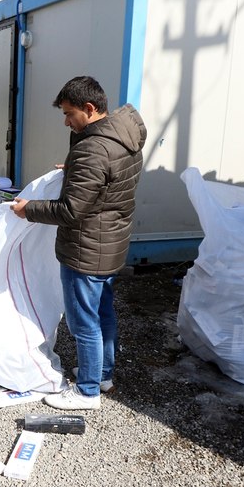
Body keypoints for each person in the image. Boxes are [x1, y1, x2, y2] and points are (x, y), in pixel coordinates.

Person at [11, 76, 147, 411]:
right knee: (103, 313)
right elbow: (104, 182)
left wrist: (28, 210)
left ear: (89, 108)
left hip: (86, 251)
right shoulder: (123, 137)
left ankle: (87, 391)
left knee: (83, 322)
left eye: (70, 114)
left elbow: (71, 210)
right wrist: (75, 168)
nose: (66, 122)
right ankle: (102, 374)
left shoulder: (92, 149)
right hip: (111, 243)